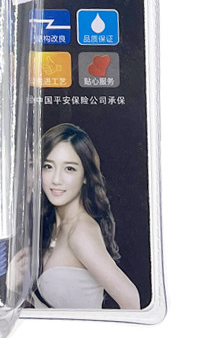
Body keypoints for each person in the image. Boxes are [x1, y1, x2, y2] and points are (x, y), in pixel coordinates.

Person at [33, 123, 140, 310]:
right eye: (48, 166)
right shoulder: (55, 226)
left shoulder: (80, 231)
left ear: (85, 176)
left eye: (69, 169)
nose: (56, 179)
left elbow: (130, 298)